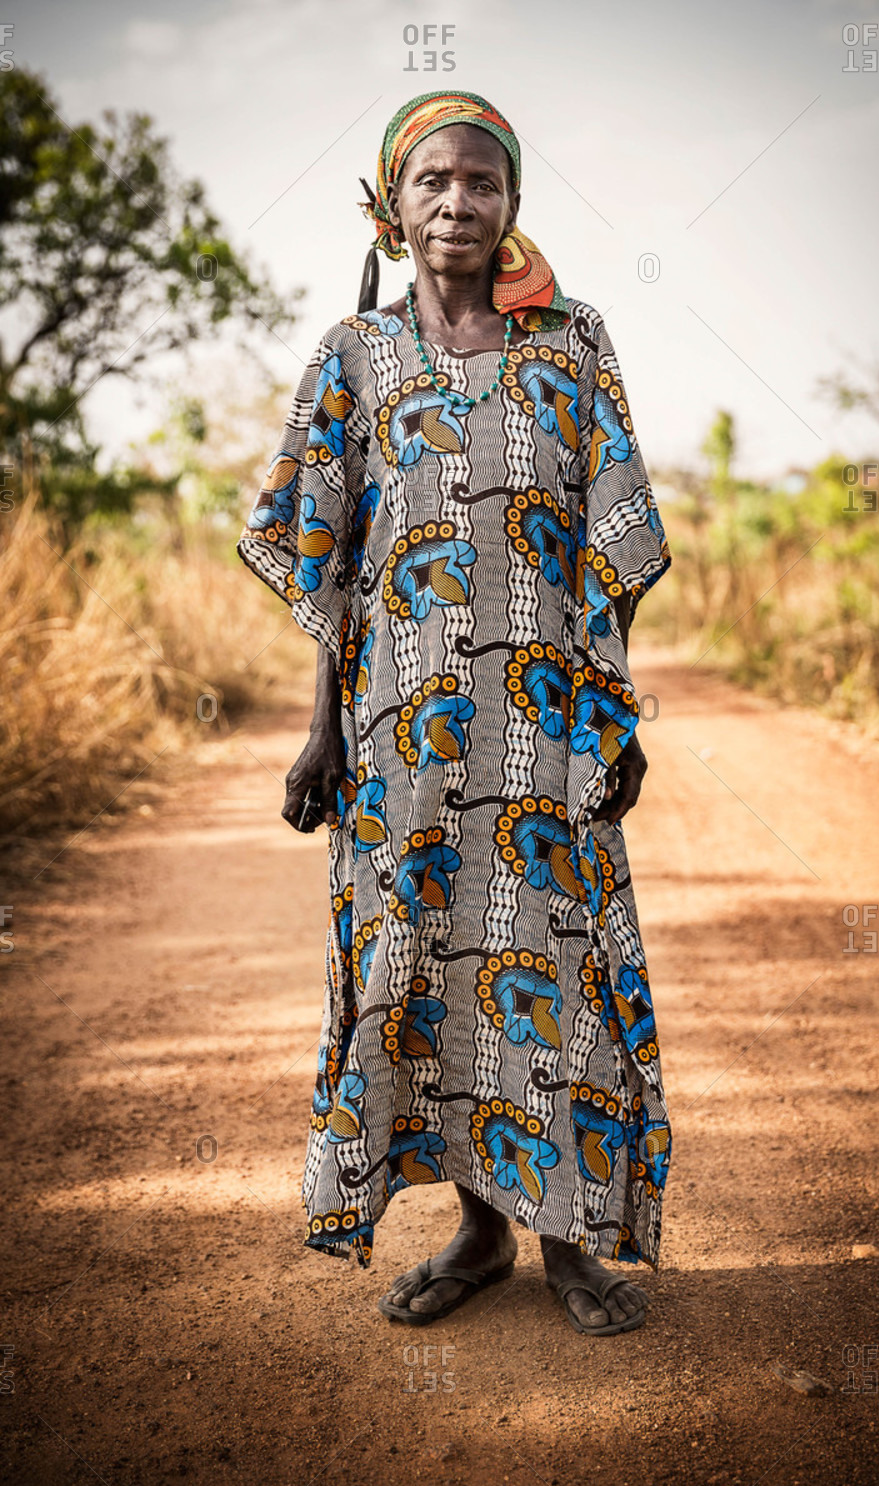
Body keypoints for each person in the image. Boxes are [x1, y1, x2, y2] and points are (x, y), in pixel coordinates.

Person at [238, 90, 672, 1336]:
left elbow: (613, 538)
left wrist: (614, 716)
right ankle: (477, 1233)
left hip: (541, 728)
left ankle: (569, 1244)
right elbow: (324, 561)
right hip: (397, 736)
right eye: (432, 181)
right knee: (418, 963)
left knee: (553, 965)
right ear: (393, 200)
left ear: (512, 208)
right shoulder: (353, 355)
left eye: (480, 184)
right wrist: (322, 731)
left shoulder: (573, 341)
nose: (457, 203)